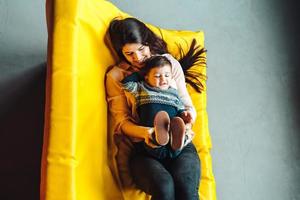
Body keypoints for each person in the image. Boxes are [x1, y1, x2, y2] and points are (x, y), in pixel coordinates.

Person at [106, 17, 205, 200]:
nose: (138, 58)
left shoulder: (168, 64)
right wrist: (146, 133)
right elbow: (122, 123)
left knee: (186, 188)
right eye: (129, 53)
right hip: (144, 150)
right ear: (121, 53)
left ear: (148, 42)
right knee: (165, 188)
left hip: (180, 145)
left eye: (141, 49)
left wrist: (188, 122)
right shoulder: (117, 77)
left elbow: (185, 102)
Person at [121, 55, 194, 159]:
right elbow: (126, 84)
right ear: (146, 77)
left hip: (172, 132)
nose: (163, 79)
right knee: (154, 142)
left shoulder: (173, 92)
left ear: (172, 76)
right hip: (151, 132)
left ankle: (181, 138)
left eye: (167, 75)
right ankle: (158, 137)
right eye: (157, 76)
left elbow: (180, 106)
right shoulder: (141, 88)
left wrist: (184, 114)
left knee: (176, 143)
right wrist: (140, 73)